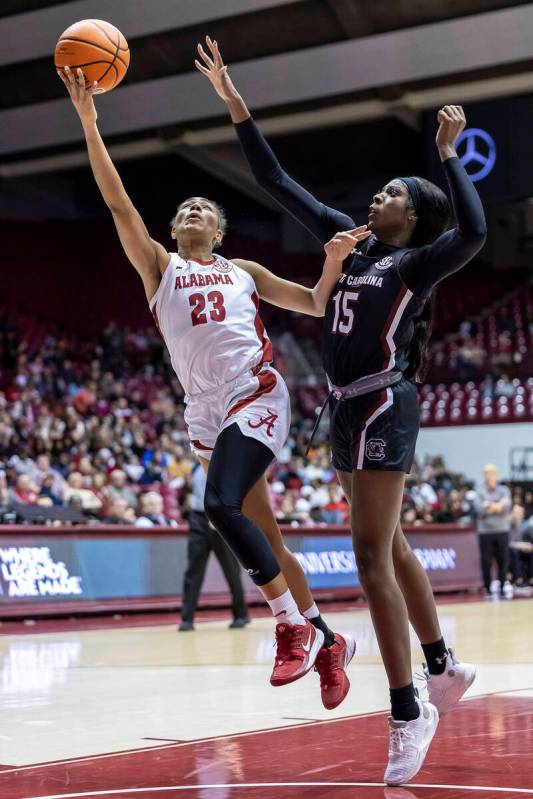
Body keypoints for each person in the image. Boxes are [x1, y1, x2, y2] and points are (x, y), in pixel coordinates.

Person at [197, 37, 484, 785]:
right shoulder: (351, 247)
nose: (377, 198)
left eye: (393, 194)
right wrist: (235, 107)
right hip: (342, 409)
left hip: (387, 400)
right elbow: (275, 180)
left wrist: (448, 156)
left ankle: (405, 707)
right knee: (388, 549)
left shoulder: (415, 261)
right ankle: (443, 664)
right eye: (381, 190)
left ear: (414, 217)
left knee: (366, 555)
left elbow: (475, 232)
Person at [58, 65, 365, 707]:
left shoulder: (244, 270)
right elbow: (119, 202)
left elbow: (312, 302)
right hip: (205, 413)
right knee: (266, 535)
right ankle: (329, 639)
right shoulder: (158, 267)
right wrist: (89, 122)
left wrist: (333, 263)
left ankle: (288, 628)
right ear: (173, 231)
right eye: (183, 209)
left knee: (219, 507)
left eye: (204, 208)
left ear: (219, 234)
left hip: (255, 392)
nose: (192, 210)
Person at [179, 461, 249, 630]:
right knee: (193, 570)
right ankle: (186, 619)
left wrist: (221, 515)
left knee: (230, 569)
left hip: (220, 520)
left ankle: (241, 614)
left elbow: (237, 494)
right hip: (197, 520)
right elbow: (188, 493)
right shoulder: (195, 467)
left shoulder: (226, 465)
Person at [474, 464, 513, 599]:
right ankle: (488, 588)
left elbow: (506, 506)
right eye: (486, 473)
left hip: (502, 530)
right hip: (485, 532)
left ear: (496, 475)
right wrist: (496, 505)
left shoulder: (504, 490)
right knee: (486, 561)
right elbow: (479, 509)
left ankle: (503, 585)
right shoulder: (479, 491)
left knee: (503, 560)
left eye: (491, 473)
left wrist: (489, 505)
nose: (489, 476)